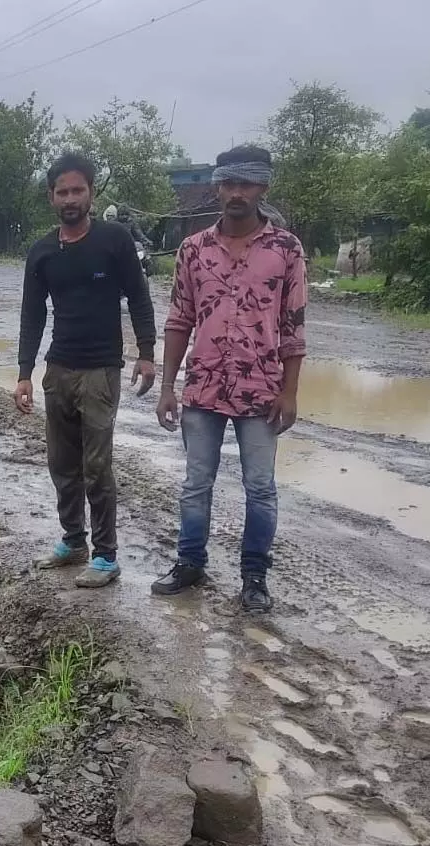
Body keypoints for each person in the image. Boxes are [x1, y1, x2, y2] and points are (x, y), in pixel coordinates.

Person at [151, 145, 307, 613]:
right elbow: (179, 320)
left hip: (262, 391)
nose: (236, 193)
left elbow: (293, 327)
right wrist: (166, 386)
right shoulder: (193, 250)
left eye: (246, 184)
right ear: (217, 186)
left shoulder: (286, 250)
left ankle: (255, 577)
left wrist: (291, 391)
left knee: (260, 487)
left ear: (263, 187)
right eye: (229, 183)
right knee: (196, 483)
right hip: (202, 389)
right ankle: (190, 562)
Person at [15, 152, 157, 588]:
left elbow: (138, 296)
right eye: (63, 191)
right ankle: (73, 540)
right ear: (51, 197)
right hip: (58, 369)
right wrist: (24, 372)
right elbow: (32, 315)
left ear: (92, 194)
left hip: (101, 371)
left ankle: (106, 555)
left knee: (97, 466)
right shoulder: (41, 252)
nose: (71, 198)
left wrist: (147, 352)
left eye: (78, 190)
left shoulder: (114, 241)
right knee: (62, 462)